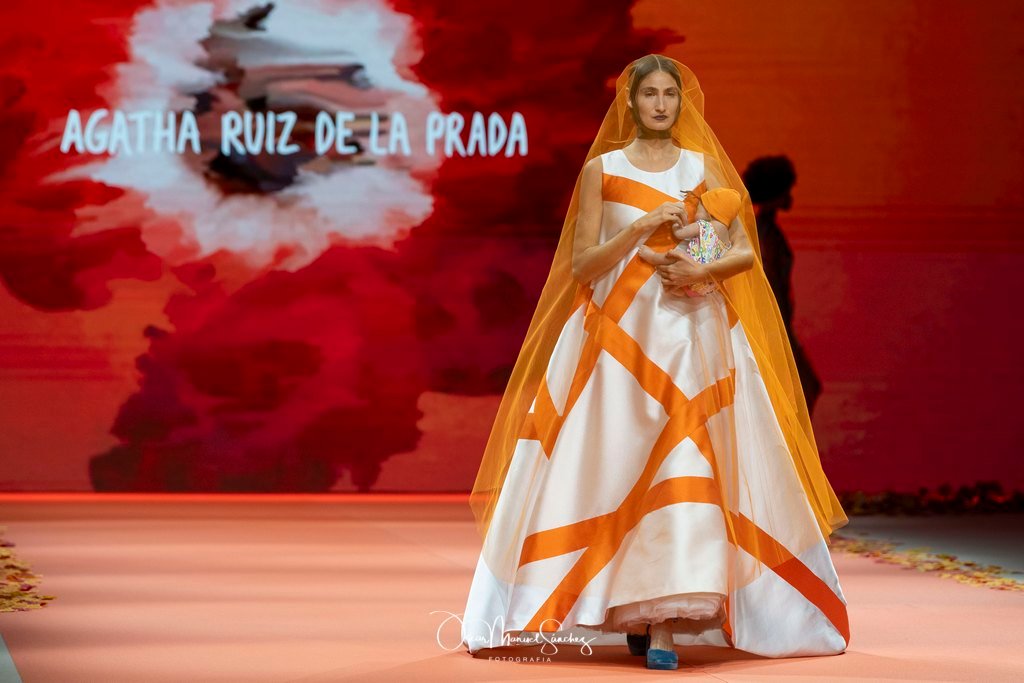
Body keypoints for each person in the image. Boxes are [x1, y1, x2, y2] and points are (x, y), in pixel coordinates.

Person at [461, 55, 849, 671]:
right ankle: (630, 607)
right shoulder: (603, 170)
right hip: (615, 345)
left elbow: (734, 252)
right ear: (631, 102)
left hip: (688, 338)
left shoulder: (700, 169)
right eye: (651, 95)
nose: (662, 105)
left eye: (671, 94)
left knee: (683, 464)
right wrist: (640, 227)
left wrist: (699, 267)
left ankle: (663, 621)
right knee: (614, 469)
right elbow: (582, 264)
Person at [742, 156, 823, 415]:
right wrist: (783, 335)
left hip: (775, 326)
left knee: (797, 393)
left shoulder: (765, 230)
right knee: (801, 391)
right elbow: (772, 286)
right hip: (772, 328)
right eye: (786, 189)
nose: (790, 196)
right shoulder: (765, 235)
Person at [636, 187, 742, 297]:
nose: (695, 212)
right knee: (687, 288)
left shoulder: (706, 226)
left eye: (698, 209)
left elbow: (680, 233)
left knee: (676, 256)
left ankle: (653, 257)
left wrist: (677, 218)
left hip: (689, 269)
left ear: (709, 212)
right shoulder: (728, 241)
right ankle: (683, 293)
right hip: (706, 286)